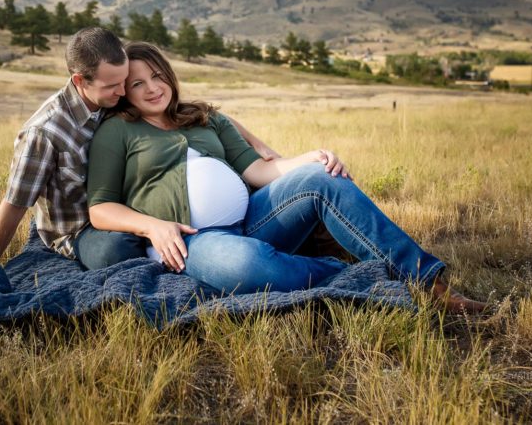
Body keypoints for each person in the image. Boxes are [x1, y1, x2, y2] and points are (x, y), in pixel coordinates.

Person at [87, 41, 486, 313]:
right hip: (191, 242)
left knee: (323, 177)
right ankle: (368, 277)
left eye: (158, 76)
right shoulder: (117, 131)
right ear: (124, 91)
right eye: (138, 83)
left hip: (252, 221)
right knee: (247, 265)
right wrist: (152, 226)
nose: (153, 88)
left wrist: (308, 160)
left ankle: (428, 284)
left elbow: (260, 170)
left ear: (170, 75)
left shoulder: (205, 118)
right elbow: (100, 208)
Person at [0, 27, 278, 274]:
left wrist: (254, 141)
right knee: (117, 250)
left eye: (124, 82)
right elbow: (13, 205)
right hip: (84, 229)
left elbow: (196, 112)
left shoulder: (112, 98)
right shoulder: (45, 132)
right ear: (80, 81)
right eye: (113, 86)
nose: (123, 92)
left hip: (131, 207)